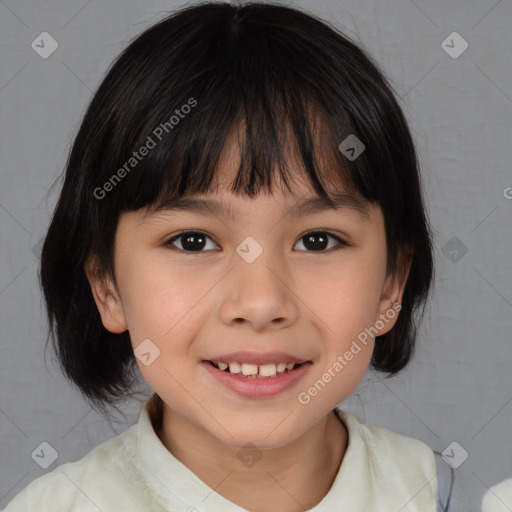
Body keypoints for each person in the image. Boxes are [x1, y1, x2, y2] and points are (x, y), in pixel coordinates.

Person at [4, 2, 442, 510]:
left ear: (391, 285)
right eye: (193, 241)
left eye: (317, 240)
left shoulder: (451, 496)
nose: (259, 303)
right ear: (107, 286)